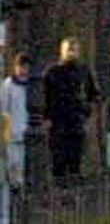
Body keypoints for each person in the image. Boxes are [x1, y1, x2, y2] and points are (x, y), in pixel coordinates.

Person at [43, 37, 99, 181]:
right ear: (62, 51)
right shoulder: (53, 72)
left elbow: (93, 93)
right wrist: (46, 117)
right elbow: (45, 95)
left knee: (76, 151)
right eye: (68, 50)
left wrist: (88, 109)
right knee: (59, 153)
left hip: (77, 118)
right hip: (58, 119)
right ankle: (59, 179)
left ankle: (75, 177)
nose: (71, 53)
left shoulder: (83, 71)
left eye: (74, 50)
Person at [2, 54, 30, 196]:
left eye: (25, 67)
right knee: (13, 167)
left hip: (28, 134)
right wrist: (6, 135)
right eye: (20, 66)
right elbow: (4, 111)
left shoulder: (31, 85)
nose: (23, 70)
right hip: (12, 135)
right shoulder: (8, 85)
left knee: (24, 169)